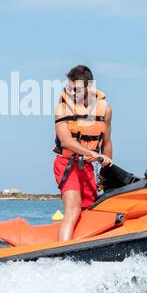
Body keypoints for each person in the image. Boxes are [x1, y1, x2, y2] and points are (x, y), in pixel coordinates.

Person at [53, 64, 112, 242]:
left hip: (87, 168)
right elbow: (66, 142)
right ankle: (62, 256)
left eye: (77, 89)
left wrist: (106, 172)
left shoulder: (105, 110)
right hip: (66, 164)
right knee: (73, 209)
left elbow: (107, 142)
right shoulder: (62, 109)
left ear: (89, 87)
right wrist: (92, 153)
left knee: (89, 210)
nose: (72, 93)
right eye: (70, 88)